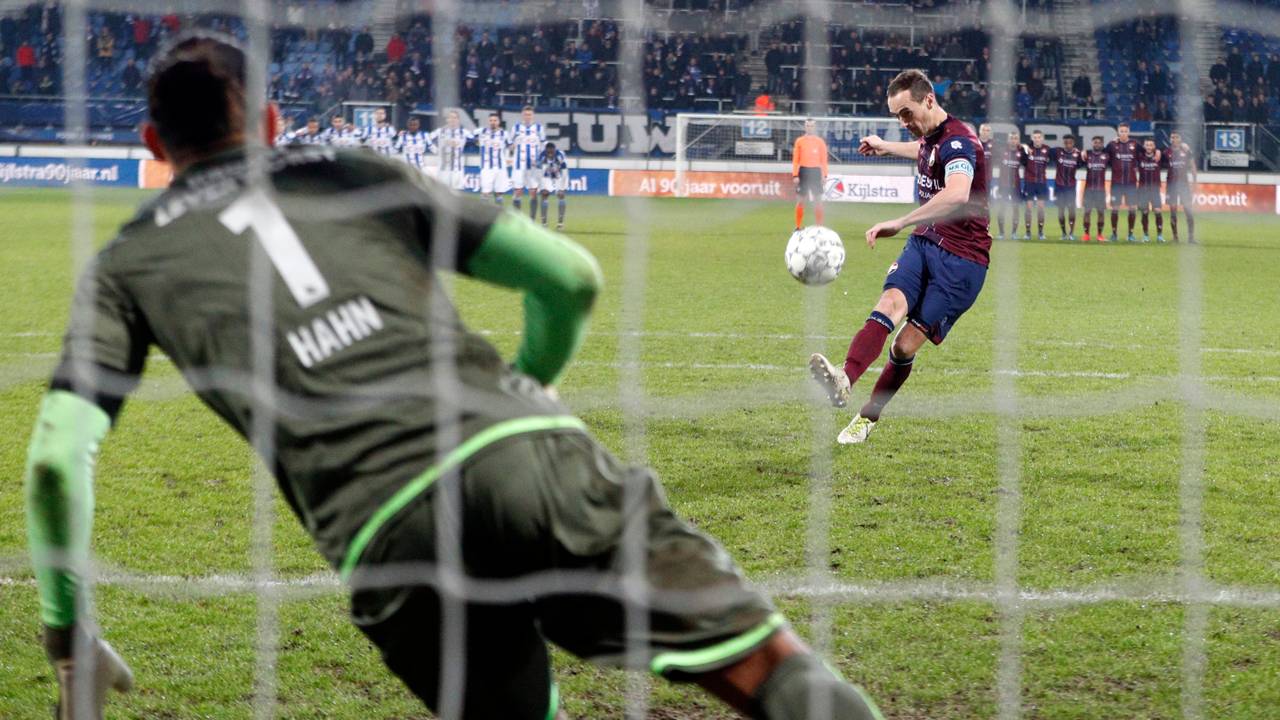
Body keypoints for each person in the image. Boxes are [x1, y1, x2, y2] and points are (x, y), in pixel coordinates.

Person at [25, 33, 884, 720]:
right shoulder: (346, 169)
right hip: (521, 448)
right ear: (275, 123)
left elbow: (59, 462)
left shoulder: (126, 261)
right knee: (769, 673)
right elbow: (570, 277)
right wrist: (528, 386)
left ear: (152, 145)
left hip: (383, 530)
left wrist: (70, 641)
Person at [808, 69, 989, 444]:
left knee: (903, 347)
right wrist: (886, 145)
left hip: (962, 261)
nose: (903, 123)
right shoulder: (933, 138)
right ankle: (845, 378)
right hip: (926, 242)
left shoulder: (961, 143)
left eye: (906, 113)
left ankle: (867, 418)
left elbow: (957, 193)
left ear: (929, 100)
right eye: (896, 117)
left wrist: (901, 221)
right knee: (890, 302)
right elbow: (924, 150)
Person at [1105, 122, 1140, 243]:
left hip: (1131, 183)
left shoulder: (1135, 144)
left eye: (1125, 131)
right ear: (1118, 132)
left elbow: (1147, 153)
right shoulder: (1111, 145)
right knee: (1115, 209)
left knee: (1132, 208)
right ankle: (1114, 234)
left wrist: (1157, 152)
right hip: (1116, 183)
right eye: (1121, 131)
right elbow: (1102, 155)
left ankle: (1130, 234)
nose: (1123, 133)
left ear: (1128, 132)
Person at [791, 118, 828, 230]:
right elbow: (795, 159)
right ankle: (798, 226)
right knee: (801, 200)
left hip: (816, 172)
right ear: (805, 127)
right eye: (807, 125)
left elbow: (823, 160)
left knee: (818, 200)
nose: (809, 127)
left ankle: (819, 226)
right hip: (803, 171)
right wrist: (795, 175)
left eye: (811, 125)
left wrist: (824, 175)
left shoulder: (820, 142)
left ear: (815, 127)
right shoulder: (799, 141)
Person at [509, 105, 546, 217]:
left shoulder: (539, 128)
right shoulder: (515, 128)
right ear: (522, 115)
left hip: (533, 166)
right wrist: (511, 150)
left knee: (533, 192)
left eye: (529, 114)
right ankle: (517, 218)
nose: (527, 117)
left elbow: (543, 146)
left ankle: (532, 220)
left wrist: (541, 160)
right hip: (519, 164)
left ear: (533, 115)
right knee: (518, 191)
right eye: (525, 114)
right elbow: (510, 145)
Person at [428, 108, 474, 191]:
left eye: (455, 117)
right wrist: (435, 150)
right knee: (442, 191)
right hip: (443, 167)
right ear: (447, 119)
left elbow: (475, 140)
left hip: (457, 167)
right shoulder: (440, 131)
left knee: (457, 191)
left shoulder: (464, 132)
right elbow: (427, 139)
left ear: (458, 120)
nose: (452, 120)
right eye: (450, 117)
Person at [1164, 131, 1196, 243]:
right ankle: (1175, 237)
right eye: (1172, 137)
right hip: (1171, 185)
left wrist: (1194, 182)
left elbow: (1192, 166)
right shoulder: (1166, 152)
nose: (1174, 139)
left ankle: (1191, 238)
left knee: (1188, 210)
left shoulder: (1186, 151)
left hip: (1184, 185)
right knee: (1173, 211)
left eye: (1176, 137)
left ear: (1180, 139)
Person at [1020, 130, 1051, 240]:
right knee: (1028, 208)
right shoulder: (1027, 149)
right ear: (1032, 138)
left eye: (1039, 137)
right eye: (1035, 137)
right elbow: (1016, 145)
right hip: (1029, 182)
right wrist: (1024, 145)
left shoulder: (1047, 149)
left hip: (1041, 182)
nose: (1037, 139)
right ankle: (1028, 232)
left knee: (1041, 208)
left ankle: (1040, 232)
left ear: (1042, 139)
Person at [475, 112, 512, 205]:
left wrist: (510, 157)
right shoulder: (481, 132)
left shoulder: (505, 134)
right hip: (486, 167)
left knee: (499, 194)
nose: (493, 122)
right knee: (485, 193)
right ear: (488, 121)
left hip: (500, 167)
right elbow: (472, 140)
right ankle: (483, 216)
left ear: (499, 122)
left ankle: (499, 214)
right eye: (491, 120)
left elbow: (511, 147)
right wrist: (477, 143)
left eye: (495, 120)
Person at [995, 131, 1025, 241]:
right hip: (1003, 185)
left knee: (1015, 208)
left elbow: (1027, 163)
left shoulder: (1021, 152)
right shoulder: (1002, 151)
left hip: (1015, 185)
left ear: (1018, 140)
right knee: (1002, 208)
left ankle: (1014, 233)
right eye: (1012, 138)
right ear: (1008, 140)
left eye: (1015, 138)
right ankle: (1001, 233)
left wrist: (1025, 148)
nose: (1013, 140)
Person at [1052, 135, 1082, 241]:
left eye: (1070, 143)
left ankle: (1071, 233)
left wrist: (1084, 153)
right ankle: (1063, 233)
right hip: (1059, 186)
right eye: (1066, 142)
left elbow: (1083, 163)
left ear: (1073, 143)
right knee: (1060, 210)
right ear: (1063, 143)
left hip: (1070, 186)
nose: (1068, 145)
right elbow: (1044, 149)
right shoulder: (1057, 152)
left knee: (1071, 210)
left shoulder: (1078, 154)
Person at [1081, 135, 1110, 242]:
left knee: (1101, 213)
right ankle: (1086, 235)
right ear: (1092, 143)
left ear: (1102, 144)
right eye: (1095, 142)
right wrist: (1081, 152)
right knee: (1087, 212)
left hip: (1100, 190)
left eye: (1099, 142)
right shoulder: (1086, 155)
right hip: (1089, 190)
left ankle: (1099, 235)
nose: (1097, 144)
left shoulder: (1107, 156)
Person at [1135, 138, 1164, 243]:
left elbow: (1168, 151)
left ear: (1154, 146)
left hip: (1155, 189)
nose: (1149, 147)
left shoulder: (1159, 157)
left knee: (1157, 211)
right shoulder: (1139, 156)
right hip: (1143, 189)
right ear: (1144, 146)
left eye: (1151, 145)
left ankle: (1160, 235)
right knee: (1145, 212)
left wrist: (1159, 151)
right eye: (1147, 145)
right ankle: (1146, 235)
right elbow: (1133, 144)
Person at [537, 141, 569, 230]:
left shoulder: (560, 155)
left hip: (559, 176)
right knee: (544, 194)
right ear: (546, 150)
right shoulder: (542, 156)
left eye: (552, 152)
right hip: (547, 175)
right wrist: (541, 186)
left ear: (555, 150)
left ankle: (560, 223)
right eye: (548, 152)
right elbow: (540, 172)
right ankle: (544, 223)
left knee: (561, 195)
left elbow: (565, 172)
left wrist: (562, 187)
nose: (550, 154)